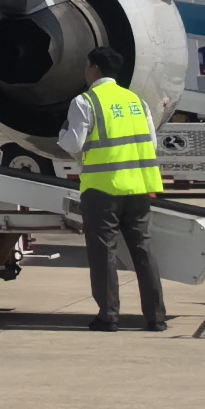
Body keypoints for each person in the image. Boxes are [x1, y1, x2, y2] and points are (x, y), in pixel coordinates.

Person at [61, 65, 167, 330]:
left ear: (94, 69)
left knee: (103, 253)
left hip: (102, 189)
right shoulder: (136, 101)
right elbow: (152, 143)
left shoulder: (85, 101)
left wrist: (62, 135)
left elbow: (74, 143)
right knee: (143, 251)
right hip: (139, 188)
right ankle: (156, 317)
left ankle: (108, 316)